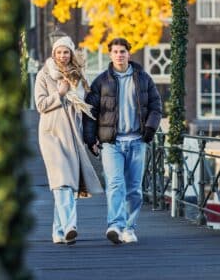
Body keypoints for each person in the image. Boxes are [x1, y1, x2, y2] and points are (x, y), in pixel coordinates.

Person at [83, 37, 162, 244]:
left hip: (137, 141)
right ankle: (115, 225)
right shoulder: (101, 82)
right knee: (116, 184)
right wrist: (90, 138)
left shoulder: (143, 78)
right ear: (110, 55)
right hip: (112, 143)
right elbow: (90, 112)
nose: (119, 55)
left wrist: (150, 130)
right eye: (115, 52)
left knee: (134, 188)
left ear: (129, 53)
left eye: (123, 51)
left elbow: (156, 106)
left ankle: (129, 227)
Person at [34, 35, 103, 245]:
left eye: (66, 52)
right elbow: (40, 105)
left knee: (67, 184)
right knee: (61, 182)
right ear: (53, 54)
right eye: (59, 52)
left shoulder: (79, 76)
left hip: (73, 134)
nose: (62, 56)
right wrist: (60, 94)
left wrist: (91, 137)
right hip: (52, 133)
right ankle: (71, 226)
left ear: (71, 53)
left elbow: (85, 106)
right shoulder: (44, 75)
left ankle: (59, 231)